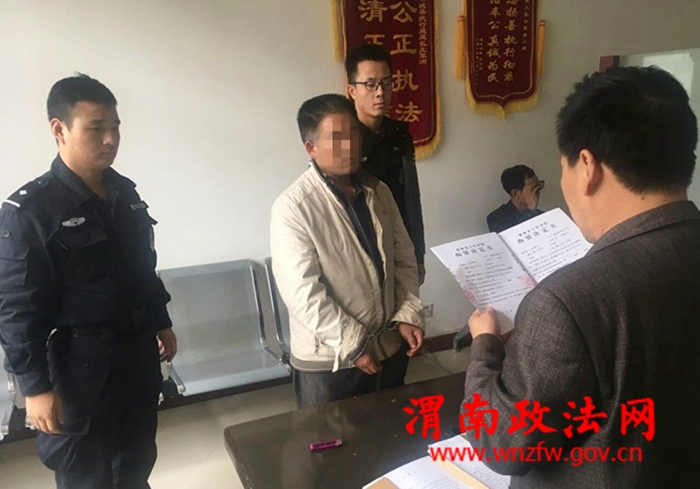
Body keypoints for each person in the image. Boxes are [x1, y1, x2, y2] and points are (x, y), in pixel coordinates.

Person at [463, 66, 699, 488]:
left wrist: (485, 346)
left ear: (587, 165)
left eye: (563, 168)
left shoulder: (566, 300)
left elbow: (502, 442)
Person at [0, 74, 177, 489]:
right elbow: (17, 310)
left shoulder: (125, 194)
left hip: (136, 357)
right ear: (59, 129)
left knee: (136, 464)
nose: (110, 139)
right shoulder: (30, 212)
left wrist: (161, 320)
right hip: (80, 368)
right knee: (87, 475)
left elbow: (142, 269)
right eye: (96, 128)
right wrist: (35, 387)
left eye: (115, 127)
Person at [270, 94, 425, 409]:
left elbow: (404, 260)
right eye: (337, 138)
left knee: (392, 430)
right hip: (331, 360)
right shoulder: (294, 208)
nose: (350, 145)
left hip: (388, 346)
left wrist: (408, 315)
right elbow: (302, 292)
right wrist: (353, 344)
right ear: (311, 148)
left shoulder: (378, 191)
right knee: (332, 439)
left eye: (354, 134)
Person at [346, 44, 426, 285]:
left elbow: (411, 199)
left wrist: (418, 255)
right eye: (370, 84)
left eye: (386, 83)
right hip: (359, 253)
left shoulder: (399, 134)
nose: (380, 92)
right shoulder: (341, 139)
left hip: (400, 247)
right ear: (352, 90)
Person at [486, 165, 544, 233]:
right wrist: (530, 210)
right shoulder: (496, 218)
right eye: (533, 188)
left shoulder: (542, 215)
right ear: (515, 194)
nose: (538, 191)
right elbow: (515, 235)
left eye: (539, 185)